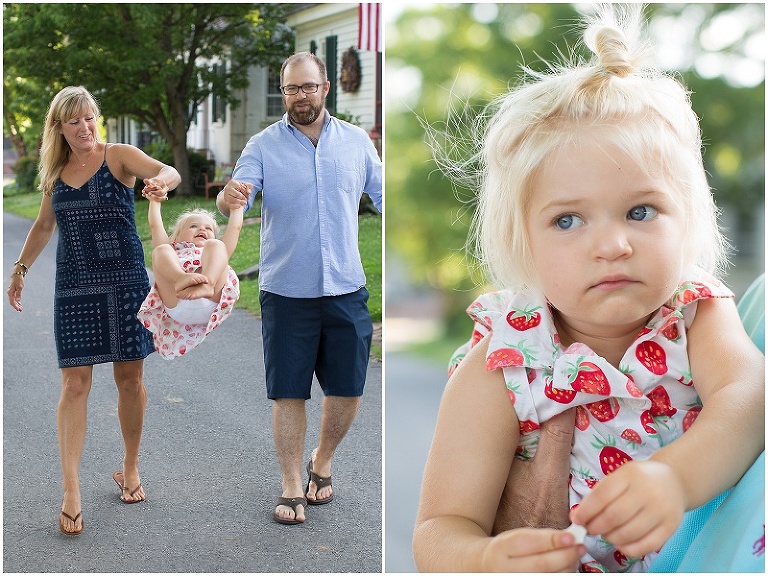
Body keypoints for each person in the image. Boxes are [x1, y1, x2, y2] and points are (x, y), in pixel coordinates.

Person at [413, 5, 764, 572]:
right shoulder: (505, 358)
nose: (612, 245)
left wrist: (675, 479)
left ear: (690, 218)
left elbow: (748, 398)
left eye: (641, 210)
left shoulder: (694, 312)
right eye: (568, 220)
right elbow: (441, 527)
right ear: (523, 243)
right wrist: (487, 560)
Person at [6, 86, 181, 536]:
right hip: (74, 287)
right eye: (73, 121)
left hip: (125, 282)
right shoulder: (55, 171)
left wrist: (163, 183)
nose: (84, 128)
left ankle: (130, 466)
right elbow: (45, 225)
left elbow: (168, 169)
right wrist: (21, 268)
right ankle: (71, 490)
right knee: (74, 383)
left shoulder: (118, 155)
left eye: (89, 118)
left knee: (130, 380)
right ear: (59, 128)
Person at [216, 52, 382, 525]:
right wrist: (228, 196)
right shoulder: (263, 145)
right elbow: (235, 192)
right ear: (283, 92)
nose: (300, 96)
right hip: (287, 291)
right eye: (291, 89)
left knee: (348, 390)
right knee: (289, 392)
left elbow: (387, 194)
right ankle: (291, 484)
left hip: (346, 287)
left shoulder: (354, 142)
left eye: (308, 87)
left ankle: (322, 460)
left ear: (325, 87)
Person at [136, 192, 244, 358]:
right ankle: (180, 277)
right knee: (161, 250)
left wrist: (237, 208)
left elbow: (235, 228)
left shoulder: (215, 252)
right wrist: (154, 201)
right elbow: (155, 226)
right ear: (177, 237)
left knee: (217, 246)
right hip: (177, 300)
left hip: (211, 298)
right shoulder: (174, 250)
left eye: (208, 228)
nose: (202, 229)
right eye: (193, 226)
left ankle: (207, 284)